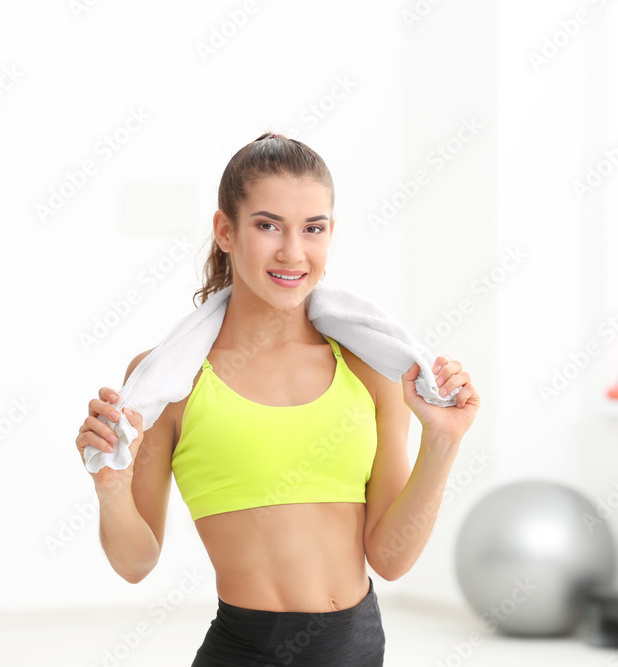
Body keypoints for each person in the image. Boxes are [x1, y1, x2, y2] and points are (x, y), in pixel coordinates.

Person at [75, 132, 480, 666]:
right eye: (268, 225)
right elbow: (135, 562)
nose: (293, 252)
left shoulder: (371, 369)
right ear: (226, 230)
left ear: (330, 233)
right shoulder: (171, 383)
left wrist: (443, 441)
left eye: (312, 228)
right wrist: (111, 486)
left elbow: (391, 558)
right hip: (245, 651)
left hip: (357, 648)